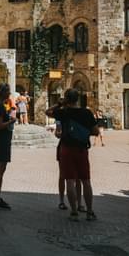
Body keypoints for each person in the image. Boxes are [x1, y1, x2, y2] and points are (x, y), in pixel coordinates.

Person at [46, 89, 98, 221]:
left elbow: (48, 112)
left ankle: (74, 212)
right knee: (86, 181)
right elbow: (95, 131)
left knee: (69, 180)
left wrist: (59, 104)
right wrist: (84, 132)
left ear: (67, 99)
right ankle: (90, 211)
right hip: (82, 149)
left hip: (66, 149)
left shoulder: (63, 112)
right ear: (77, 99)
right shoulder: (87, 113)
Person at [0, 83, 16, 210]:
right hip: (2, 141)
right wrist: (11, 121)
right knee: (0, 169)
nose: (10, 94)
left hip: (1, 140)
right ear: (4, 93)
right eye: (9, 91)